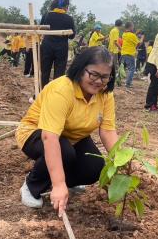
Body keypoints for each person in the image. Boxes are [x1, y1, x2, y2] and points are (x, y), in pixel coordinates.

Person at [16, 46, 118, 214]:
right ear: (80, 68)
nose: (99, 81)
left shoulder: (105, 94)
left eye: (105, 77)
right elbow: (50, 137)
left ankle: (67, 181)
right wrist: (58, 184)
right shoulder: (62, 90)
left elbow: (107, 131)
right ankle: (31, 185)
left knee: (95, 167)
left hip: (73, 136)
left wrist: (123, 163)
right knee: (64, 152)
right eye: (93, 74)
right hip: (37, 132)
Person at [40, 0, 76, 88]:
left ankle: (40, 94)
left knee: (45, 71)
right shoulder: (69, 19)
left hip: (47, 46)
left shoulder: (47, 15)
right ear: (66, 6)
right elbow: (72, 36)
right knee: (59, 73)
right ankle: (55, 96)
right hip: (61, 48)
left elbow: (40, 29)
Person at [120, 22, 139, 88]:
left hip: (123, 53)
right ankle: (128, 83)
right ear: (130, 27)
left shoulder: (124, 34)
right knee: (132, 69)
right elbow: (138, 43)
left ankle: (117, 80)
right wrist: (142, 37)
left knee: (122, 68)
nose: (133, 28)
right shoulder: (132, 35)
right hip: (129, 53)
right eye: (132, 26)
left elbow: (131, 40)